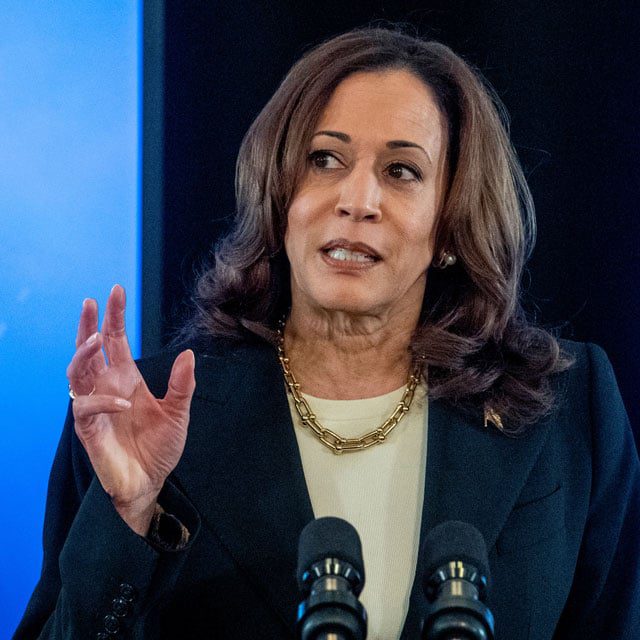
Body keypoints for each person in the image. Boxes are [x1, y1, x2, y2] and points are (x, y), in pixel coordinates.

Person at [15, 27, 640, 640]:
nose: (357, 198)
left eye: (401, 171)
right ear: (279, 195)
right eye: (324, 160)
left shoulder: (567, 412)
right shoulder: (147, 415)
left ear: (451, 226)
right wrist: (128, 513)